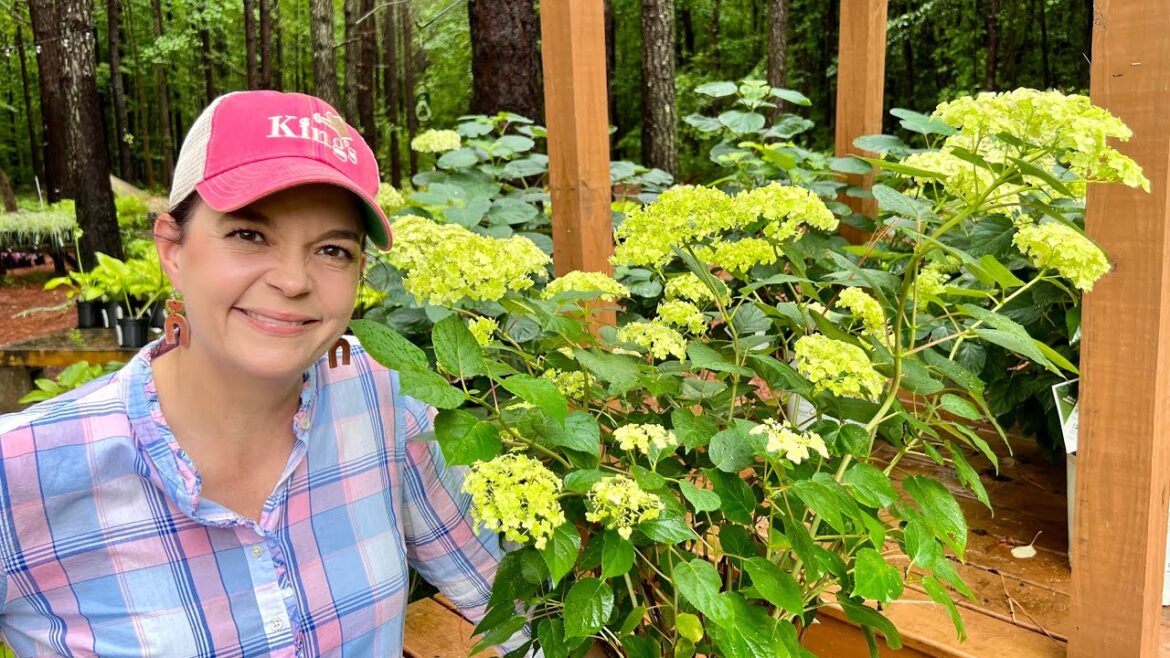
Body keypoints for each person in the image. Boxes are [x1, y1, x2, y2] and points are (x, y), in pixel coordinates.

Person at [0, 91, 527, 657]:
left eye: (332, 249)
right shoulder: (21, 473)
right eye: (249, 235)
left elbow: (506, 602)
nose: (294, 281)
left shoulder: (385, 400)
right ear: (172, 249)